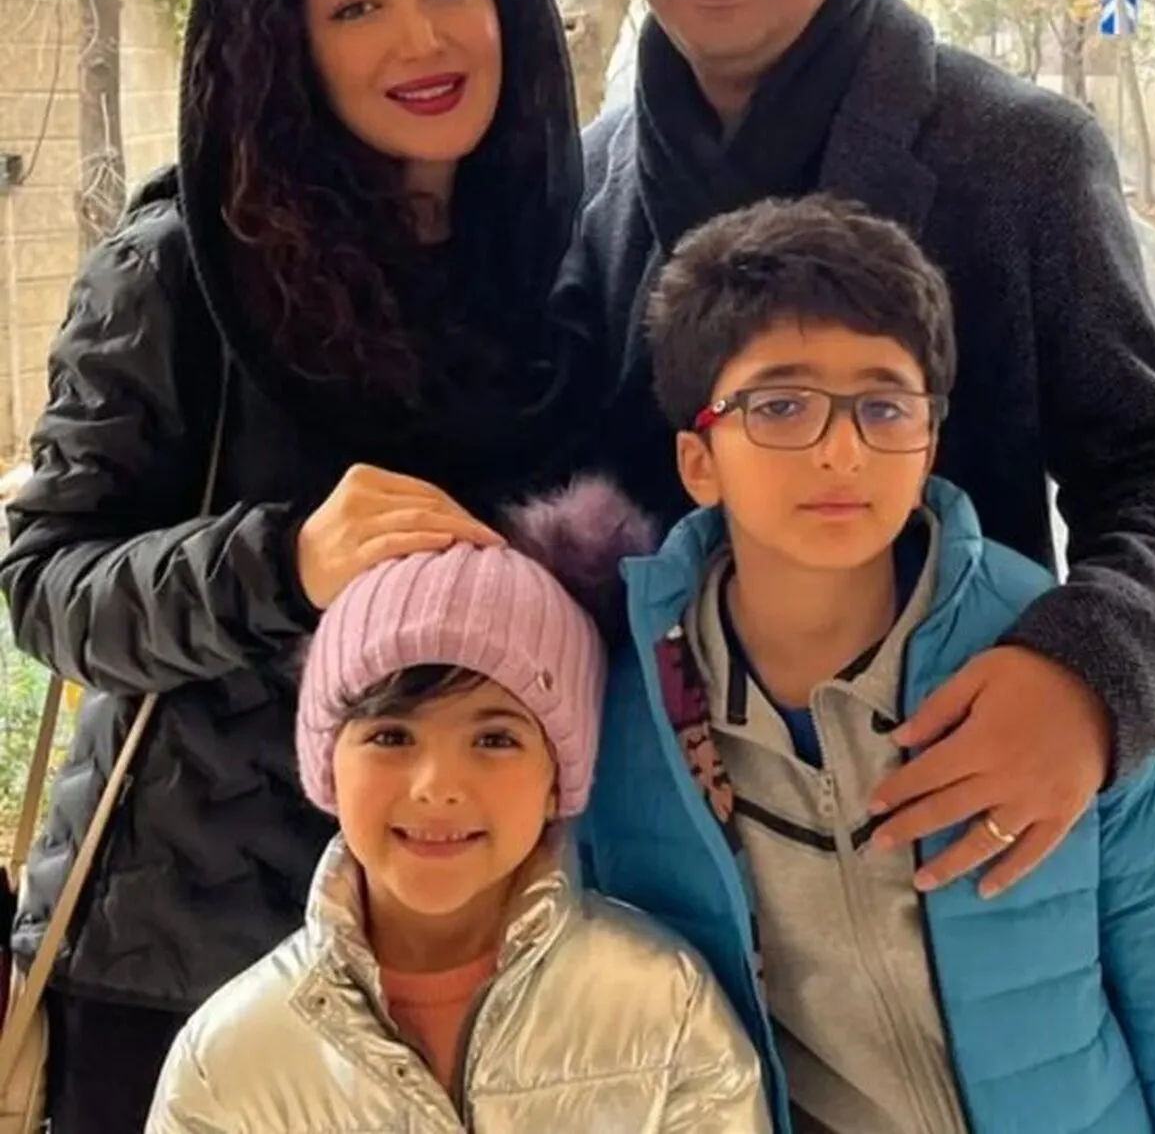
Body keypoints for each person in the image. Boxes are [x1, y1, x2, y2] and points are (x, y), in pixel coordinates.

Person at [570, 0, 1155, 897]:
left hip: (957, 860)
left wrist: (1090, 675)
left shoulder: (1017, 156)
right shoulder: (580, 189)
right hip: (664, 886)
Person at [0, 0, 589, 1134]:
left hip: (464, 960)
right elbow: (45, 587)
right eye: (356, 6)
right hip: (183, 962)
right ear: (288, 44)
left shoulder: (549, 270)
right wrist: (283, 561)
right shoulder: (182, 269)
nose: (421, 38)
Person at [579, 194, 1155, 1134]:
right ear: (698, 461)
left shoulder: (1051, 658)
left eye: (882, 407)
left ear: (928, 445)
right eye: (780, 406)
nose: (842, 451)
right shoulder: (633, 717)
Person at [145, 486, 771, 1133]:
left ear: (559, 777)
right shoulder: (230, 1058)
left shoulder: (665, 1008)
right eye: (392, 736)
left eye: (494, 740)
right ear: (327, 762)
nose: (437, 786)